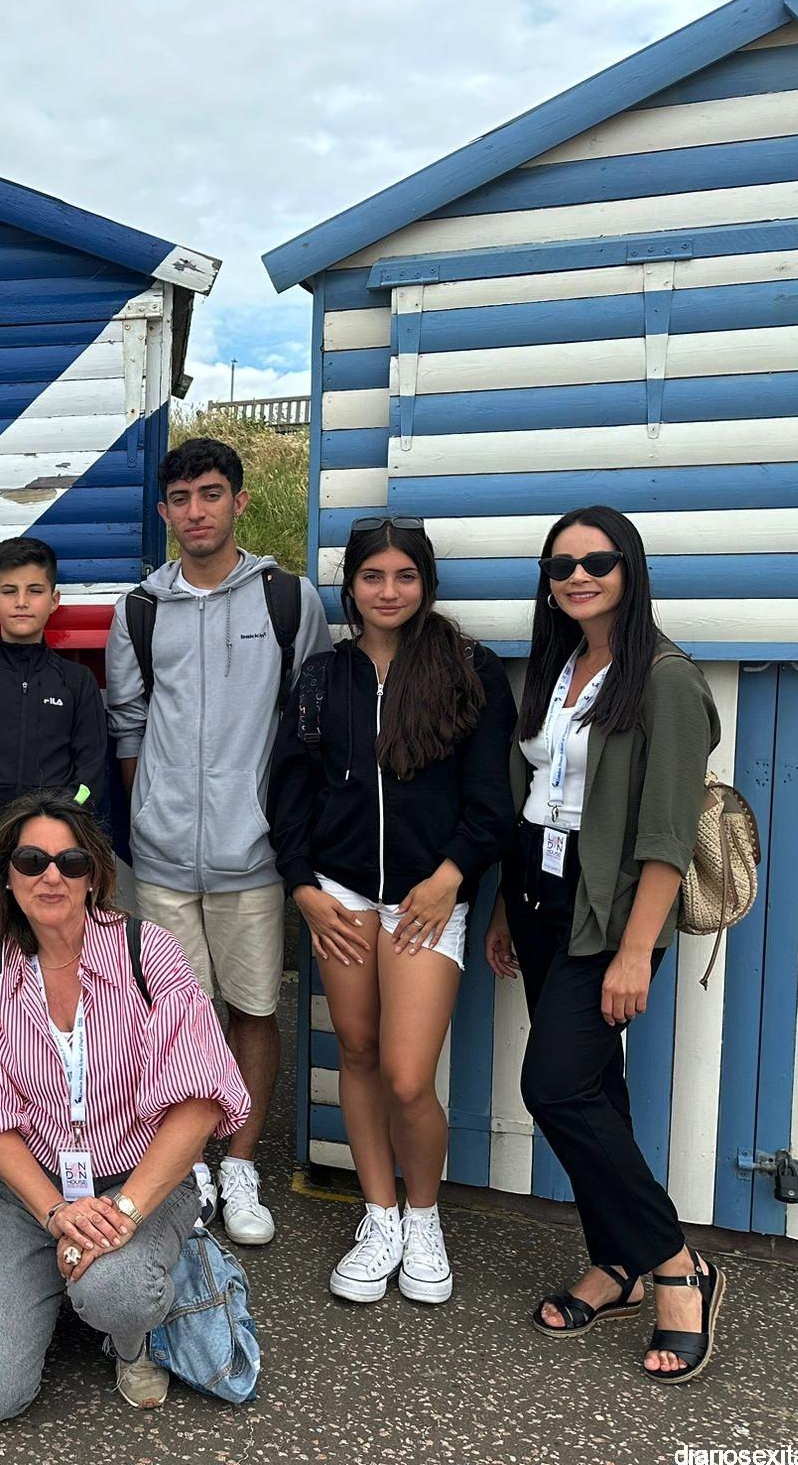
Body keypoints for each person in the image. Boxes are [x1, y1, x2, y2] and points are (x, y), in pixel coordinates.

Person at [484, 504, 725, 1384]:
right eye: (561, 566)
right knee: (594, 1088)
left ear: (631, 569)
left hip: (608, 913)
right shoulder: (559, 666)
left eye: (597, 561)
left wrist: (634, 952)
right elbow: (536, 796)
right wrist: (506, 906)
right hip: (539, 895)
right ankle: (616, 1262)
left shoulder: (665, 679)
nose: (578, 577)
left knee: (551, 1085)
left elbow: (666, 835)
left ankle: (676, 1265)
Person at [0, 793, 251, 1417]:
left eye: (71, 862)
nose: (51, 876)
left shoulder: (147, 952)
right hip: (32, 1190)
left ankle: (134, 1336)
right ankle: (70, 1270)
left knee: (117, 1291)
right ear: (7, 875)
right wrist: (57, 1215)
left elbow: (200, 1104)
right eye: (32, 860)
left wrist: (121, 1216)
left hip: (139, 1179)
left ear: (94, 875)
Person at [269, 517, 514, 1306]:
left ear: (426, 583)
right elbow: (288, 791)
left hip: (427, 896)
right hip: (339, 892)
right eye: (372, 576)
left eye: (404, 576)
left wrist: (452, 875)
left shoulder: (470, 669)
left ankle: (423, 1218)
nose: (388, 591)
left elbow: (492, 799)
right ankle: (378, 1217)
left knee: (408, 1077)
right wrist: (303, 887)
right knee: (358, 1050)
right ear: (351, 587)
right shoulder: (321, 676)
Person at [104, 437, 329, 1246]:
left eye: (209, 494)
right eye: (180, 498)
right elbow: (128, 724)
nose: (195, 511)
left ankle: (240, 1163)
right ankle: (189, 1162)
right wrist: (153, 815)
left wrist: (278, 824)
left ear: (238, 501)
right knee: (176, 1017)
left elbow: (311, 718)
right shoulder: (139, 608)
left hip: (254, 854)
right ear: (164, 511)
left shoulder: (288, 600)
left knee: (254, 1009)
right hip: (163, 859)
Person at [0, 535, 106, 975]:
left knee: (56, 980)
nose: (22, 602)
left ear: (54, 600)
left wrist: (44, 850)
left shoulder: (78, 682)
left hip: (55, 873)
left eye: (35, 590)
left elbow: (89, 778)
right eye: (9, 591)